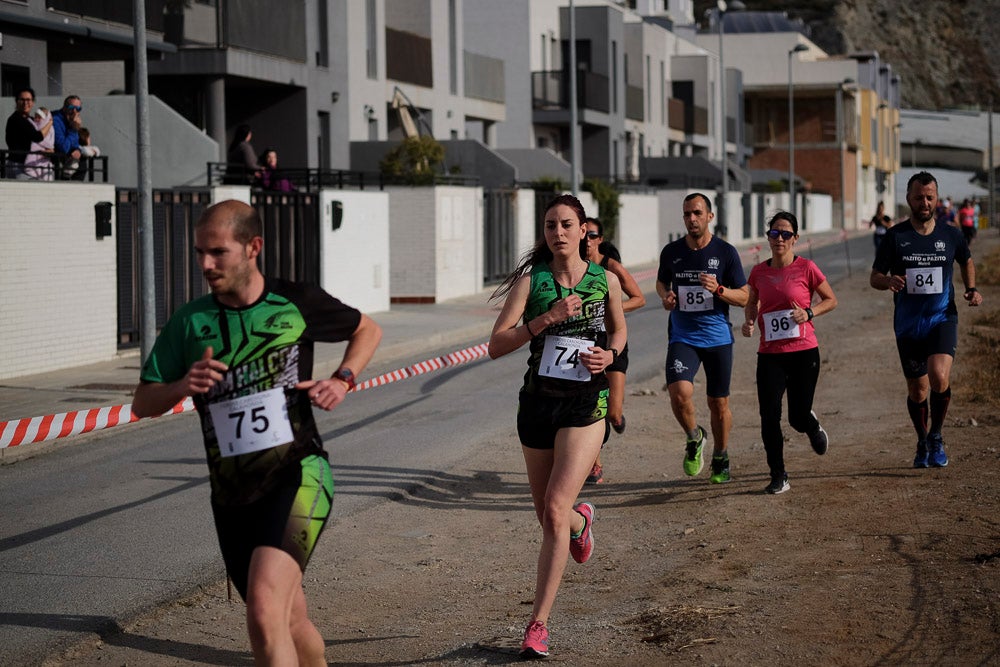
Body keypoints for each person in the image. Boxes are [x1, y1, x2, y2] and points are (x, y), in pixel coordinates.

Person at [131, 200, 382, 665]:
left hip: (299, 474)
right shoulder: (190, 322)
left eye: (218, 252)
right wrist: (184, 384)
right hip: (232, 495)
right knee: (289, 620)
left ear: (253, 247)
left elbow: (367, 329)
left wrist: (342, 379)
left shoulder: (296, 302)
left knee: (264, 616)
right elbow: (142, 402)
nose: (206, 264)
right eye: (200, 252)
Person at [488, 194, 626, 659]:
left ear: (584, 229)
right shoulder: (533, 283)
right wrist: (546, 319)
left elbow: (620, 331)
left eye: (567, 224)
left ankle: (537, 625)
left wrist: (609, 356)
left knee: (552, 507)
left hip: (587, 403)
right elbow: (495, 345)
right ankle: (580, 522)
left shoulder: (604, 279)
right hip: (537, 405)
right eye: (550, 225)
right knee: (550, 515)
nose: (558, 232)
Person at [870, 171, 983, 469]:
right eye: (918, 197)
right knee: (917, 390)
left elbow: (966, 259)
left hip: (942, 317)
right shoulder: (896, 236)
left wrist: (971, 289)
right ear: (908, 199)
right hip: (907, 324)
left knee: (939, 376)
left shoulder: (950, 233)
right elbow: (875, 277)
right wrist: (889, 281)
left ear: (936, 199)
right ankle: (921, 440)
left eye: (929, 197)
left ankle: (936, 436)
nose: (924, 202)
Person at [741, 211, 838, 494]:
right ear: (768, 237)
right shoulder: (759, 271)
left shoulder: (806, 267)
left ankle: (812, 426)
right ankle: (778, 475)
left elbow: (831, 300)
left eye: (785, 234)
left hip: (803, 352)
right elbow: (752, 302)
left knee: (796, 417)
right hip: (769, 354)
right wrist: (749, 322)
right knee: (769, 416)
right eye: (774, 233)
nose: (779, 238)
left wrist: (809, 313)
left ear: (795, 239)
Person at [656, 193, 748, 484]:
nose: (691, 219)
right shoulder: (672, 251)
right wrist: (666, 296)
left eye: (697, 213)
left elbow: (744, 296)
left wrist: (720, 290)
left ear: (710, 216)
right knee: (679, 392)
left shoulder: (726, 253)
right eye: (686, 214)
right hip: (683, 335)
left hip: (718, 337)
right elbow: (662, 281)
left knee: (717, 404)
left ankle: (721, 455)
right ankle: (694, 437)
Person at [582, 216, 645, 484]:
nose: (587, 241)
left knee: (612, 412)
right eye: (584, 234)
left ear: (601, 240)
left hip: (613, 343)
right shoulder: (574, 268)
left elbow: (639, 298)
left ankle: (617, 420)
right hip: (586, 344)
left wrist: (613, 308)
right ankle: (593, 463)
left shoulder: (611, 267)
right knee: (590, 407)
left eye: (593, 236)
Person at [5, 87, 51, 179]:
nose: (25, 103)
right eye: (22, 99)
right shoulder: (16, 119)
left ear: (33, 102)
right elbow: (38, 137)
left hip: (28, 165)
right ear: (16, 101)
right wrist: (50, 121)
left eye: (28, 100)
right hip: (17, 165)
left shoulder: (29, 119)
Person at [52, 95, 84, 180]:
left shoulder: (71, 120)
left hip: (65, 158)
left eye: (78, 109)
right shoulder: (55, 119)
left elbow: (75, 144)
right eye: (71, 107)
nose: (74, 111)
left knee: (82, 160)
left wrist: (77, 150)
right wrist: (73, 129)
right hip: (54, 157)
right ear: (64, 107)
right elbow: (63, 148)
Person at [24, 106, 55, 181]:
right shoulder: (32, 126)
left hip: (44, 160)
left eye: (39, 117)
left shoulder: (51, 130)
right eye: (35, 117)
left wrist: (50, 149)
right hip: (32, 159)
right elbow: (37, 138)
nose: (36, 119)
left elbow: (50, 143)